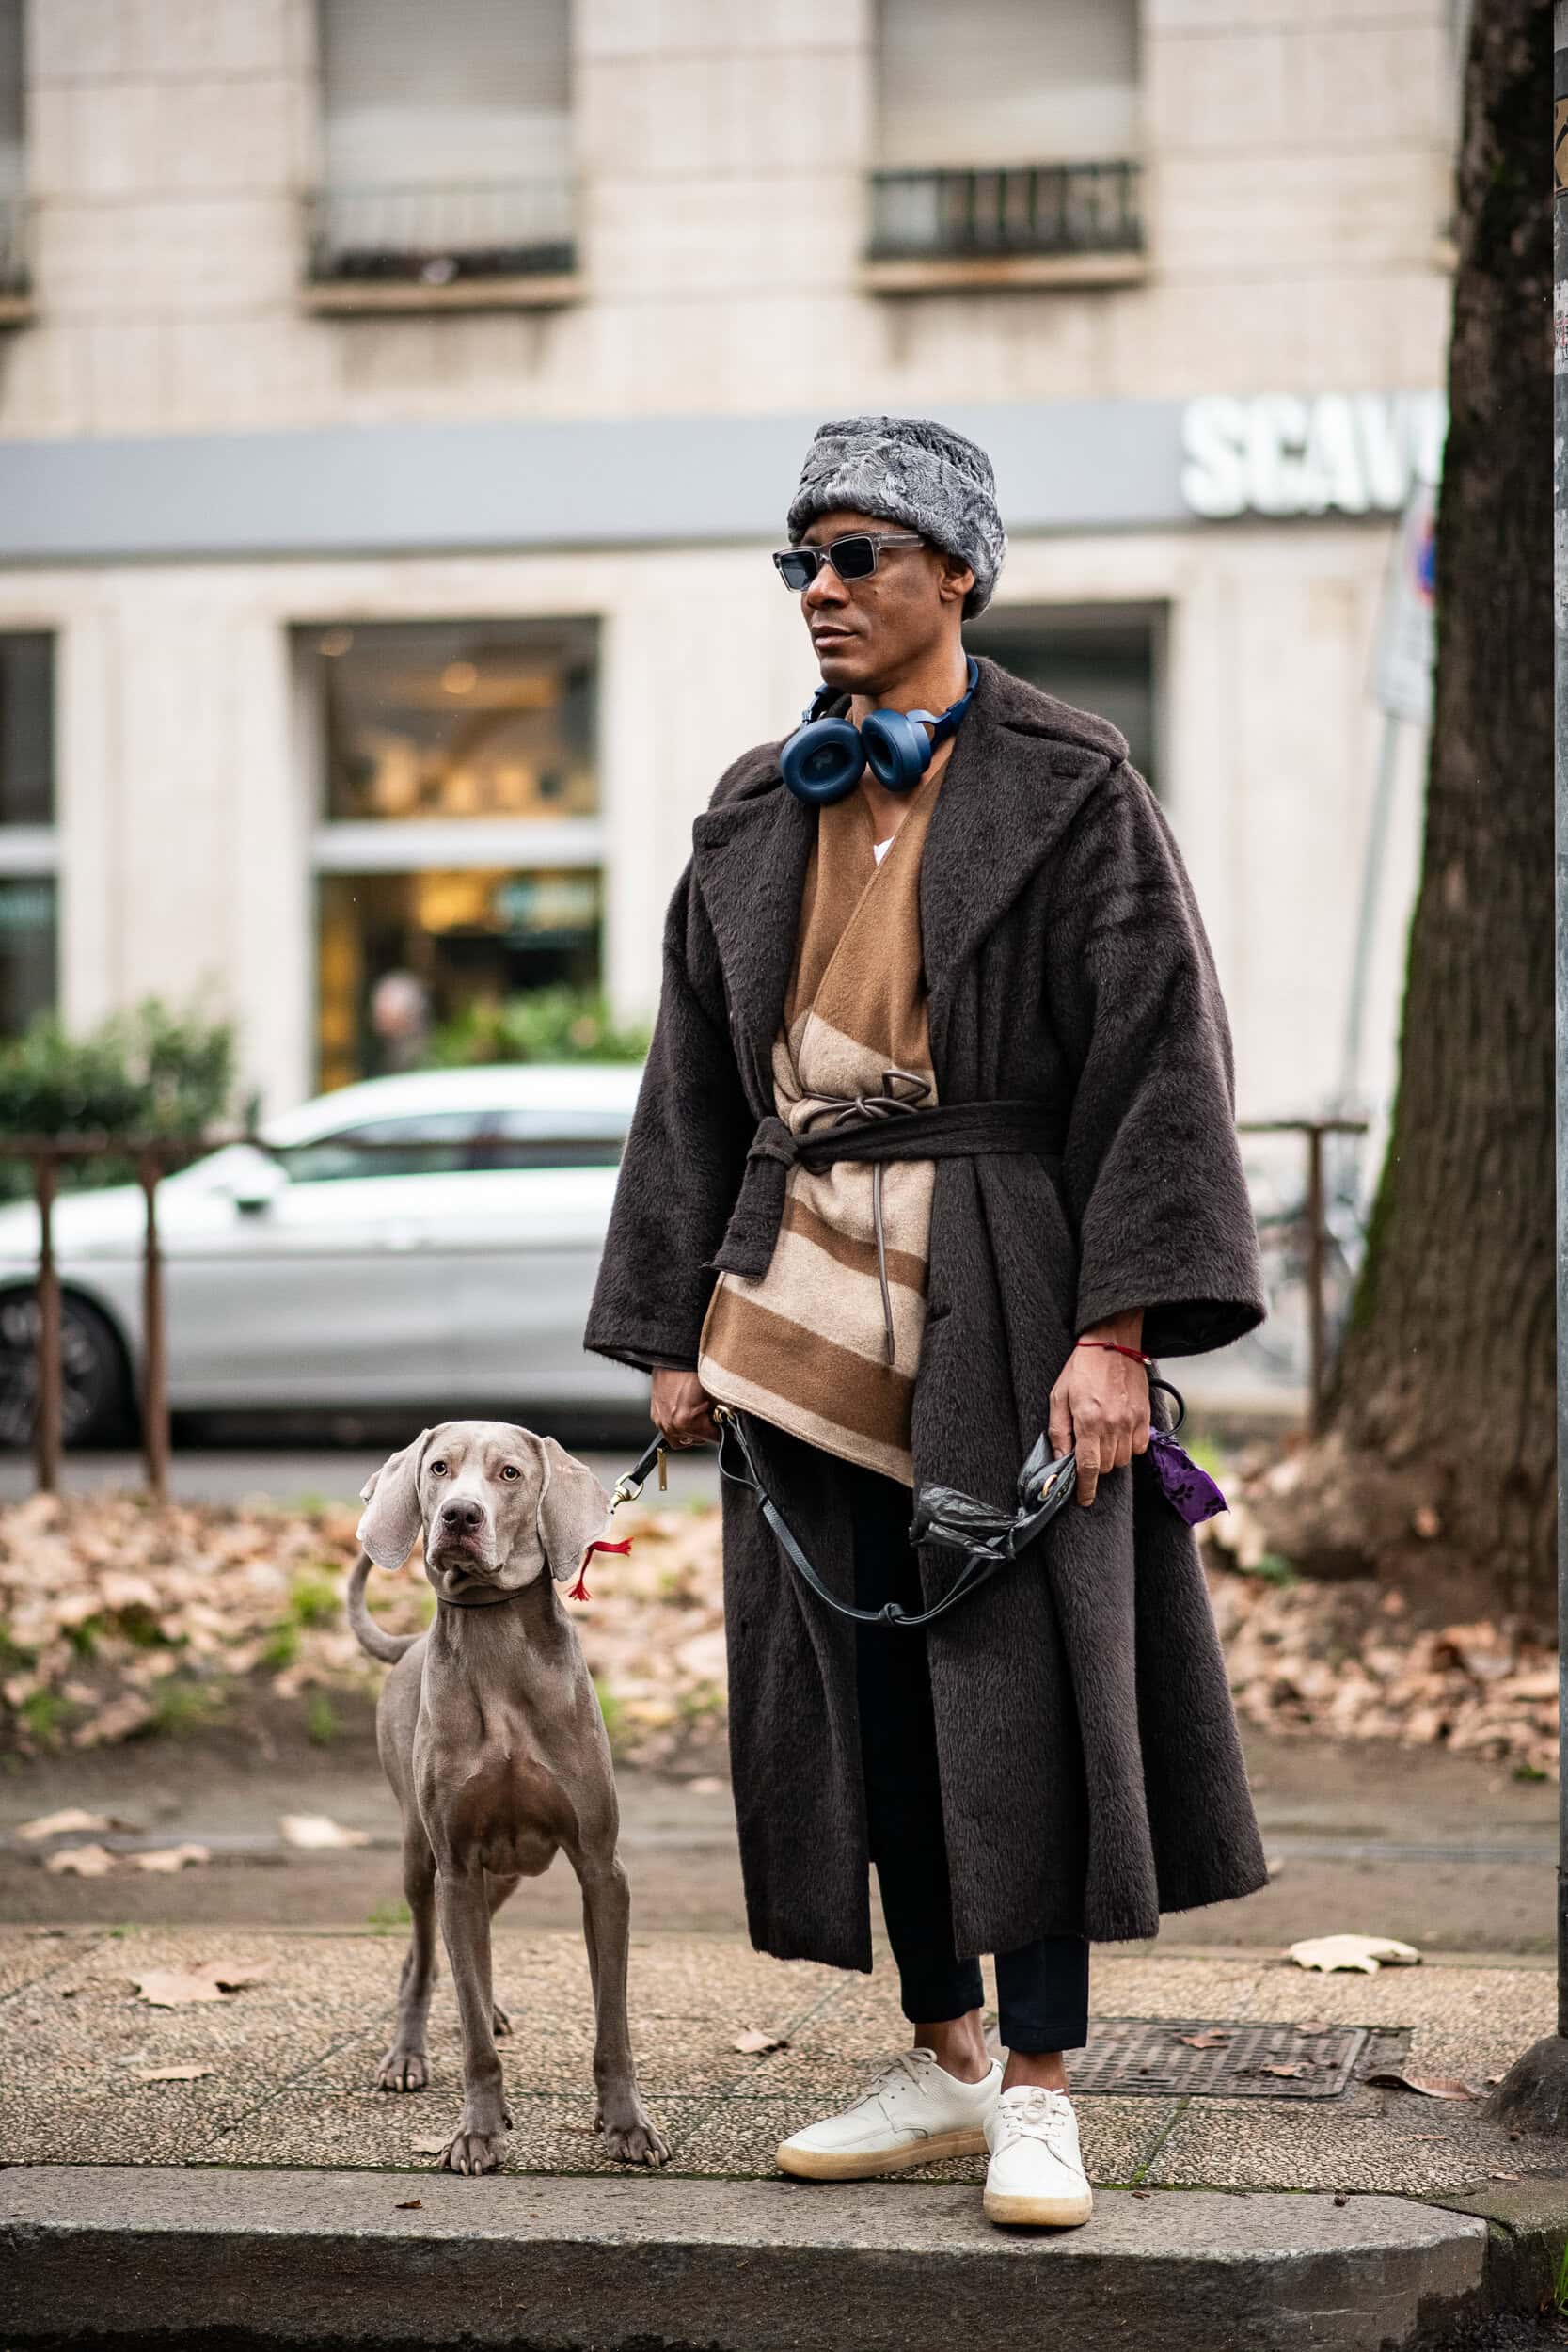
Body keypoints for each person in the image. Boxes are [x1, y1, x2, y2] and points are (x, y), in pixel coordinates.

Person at [584, 414, 1268, 2232]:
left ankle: (1046, 2091)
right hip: (791, 1286)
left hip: (1011, 1281)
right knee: (867, 1687)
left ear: (956, 573)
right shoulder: (756, 800)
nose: (818, 589)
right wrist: (673, 1325)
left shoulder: (1074, 783)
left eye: (857, 556)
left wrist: (1117, 1331)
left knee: (1023, 1683)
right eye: (799, 560)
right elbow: (689, 1091)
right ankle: (947, 2056)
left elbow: (1159, 1066)